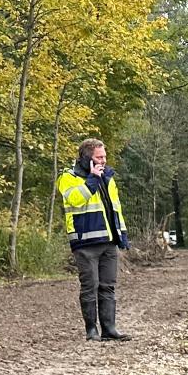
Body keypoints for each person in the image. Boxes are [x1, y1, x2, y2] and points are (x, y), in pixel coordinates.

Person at [56, 138, 131, 341]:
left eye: (104, 156)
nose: (104, 160)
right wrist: (92, 181)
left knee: (108, 286)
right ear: (87, 158)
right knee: (90, 286)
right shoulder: (68, 177)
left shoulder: (108, 177)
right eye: (99, 157)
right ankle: (91, 330)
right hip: (85, 242)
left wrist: (122, 234)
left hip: (109, 240)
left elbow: (115, 208)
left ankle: (109, 329)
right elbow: (74, 199)